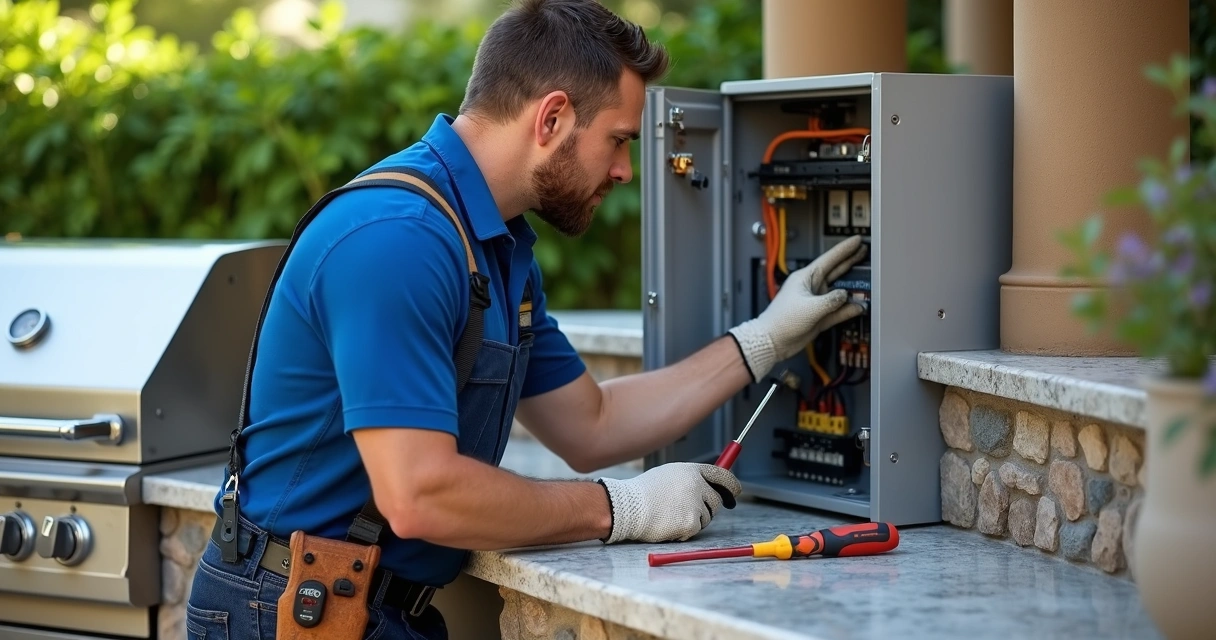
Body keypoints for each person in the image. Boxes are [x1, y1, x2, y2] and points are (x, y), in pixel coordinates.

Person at [186, 1, 867, 638]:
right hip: (282, 611)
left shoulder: (495, 245)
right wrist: (620, 510)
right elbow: (420, 495)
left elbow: (591, 424)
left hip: (369, 606)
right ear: (552, 120)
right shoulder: (400, 240)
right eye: (619, 140)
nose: (627, 170)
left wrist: (763, 339)